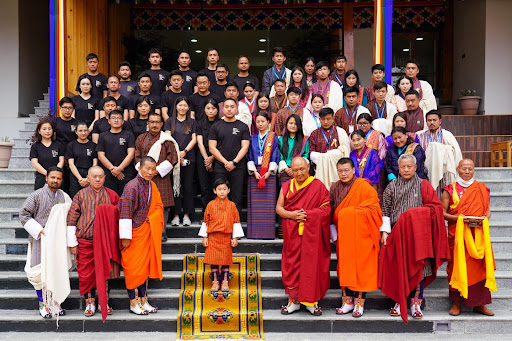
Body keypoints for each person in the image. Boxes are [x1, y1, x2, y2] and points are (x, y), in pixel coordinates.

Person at [379, 154, 450, 323]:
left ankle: (415, 303)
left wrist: (413, 215)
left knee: (420, 268)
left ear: (415, 167)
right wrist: (384, 232)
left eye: (409, 166)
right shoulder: (391, 187)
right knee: (398, 268)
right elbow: (385, 211)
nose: (405, 169)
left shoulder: (424, 185)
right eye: (403, 167)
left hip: (419, 236)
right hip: (398, 234)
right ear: (398, 168)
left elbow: (435, 208)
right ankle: (399, 300)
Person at [276, 157, 331, 316]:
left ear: (308, 167)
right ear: (291, 170)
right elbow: (279, 208)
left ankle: (311, 302)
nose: (299, 173)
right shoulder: (287, 186)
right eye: (295, 170)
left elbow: (327, 209)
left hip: (312, 236)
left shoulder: (318, 186)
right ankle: (293, 301)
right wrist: (292, 215)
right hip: (293, 234)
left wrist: (309, 215)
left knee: (311, 266)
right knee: (292, 265)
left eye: (302, 169)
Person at [441, 159, 496, 316]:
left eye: (470, 169)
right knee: (457, 267)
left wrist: (484, 218)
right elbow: (443, 213)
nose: (467, 171)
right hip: (458, 237)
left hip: (478, 235)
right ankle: (456, 302)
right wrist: (459, 218)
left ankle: (479, 304)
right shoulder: (449, 190)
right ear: (458, 169)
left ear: (474, 170)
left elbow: (487, 211)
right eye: (464, 168)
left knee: (479, 267)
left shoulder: (481, 189)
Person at [330, 158, 382, 317]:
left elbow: (375, 210)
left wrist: (349, 213)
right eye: (340, 171)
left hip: (362, 236)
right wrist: (333, 231)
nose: (343, 174)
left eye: (346, 170)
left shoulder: (364, 186)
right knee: (345, 267)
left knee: (361, 268)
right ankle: (347, 302)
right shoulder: (334, 188)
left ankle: (359, 304)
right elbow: (331, 210)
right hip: (343, 235)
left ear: (354, 170)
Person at [66, 166, 120, 318]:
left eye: (100, 176)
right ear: (88, 178)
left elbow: (119, 215)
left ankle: (105, 302)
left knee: (105, 273)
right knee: (86, 275)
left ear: (105, 178)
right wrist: (72, 243)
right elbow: (71, 219)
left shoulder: (112, 195)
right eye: (94, 176)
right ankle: (90, 303)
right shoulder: (80, 195)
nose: (97, 179)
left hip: (105, 243)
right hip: (85, 242)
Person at [20, 166, 71, 318]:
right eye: (53, 177)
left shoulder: (64, 197)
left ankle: (55, 302)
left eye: (58, 178)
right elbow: (23, 214)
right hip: (40, 239)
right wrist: (38, 230)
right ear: (46, 178)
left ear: (62, 181)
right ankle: (43, 303)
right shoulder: (36, 195)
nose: (55, 180)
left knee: (56, 269)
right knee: (39, 272)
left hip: (57, 240)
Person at [119, 156, 164, 315]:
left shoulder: (151, 185)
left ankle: (143, 301)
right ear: (140, 168)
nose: (151, 172)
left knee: (144, 269)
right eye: (147, 168)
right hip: (133, 234)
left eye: (153, 169)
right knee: (133, 269)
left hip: (147, 230)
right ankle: (133, 302)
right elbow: (125, 213)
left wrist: (152, 218)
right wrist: (125, 237)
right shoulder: (131, 187)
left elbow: (159, 206)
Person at [136, 112, 179, 241]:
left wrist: (156, 171)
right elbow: (137, 157)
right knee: (144, 203)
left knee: (163, 205)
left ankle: (162, 231)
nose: (154, 125)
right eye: (152, 122)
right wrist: (145, 171)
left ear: (161, 124)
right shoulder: (141, 138)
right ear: (147, 123)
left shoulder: (166, 140)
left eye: (157, 122)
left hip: (161, 176)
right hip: (143, 177)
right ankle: (145, 230)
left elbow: (173, 158)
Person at [199, 179, 244, 292]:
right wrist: (205, 237)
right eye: (219, 189)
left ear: (228, 190)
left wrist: (235, 237)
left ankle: (225, 281)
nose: (222, 192)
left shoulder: (232, 206)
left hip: (226, 237)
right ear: (215, 191)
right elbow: (206, 221)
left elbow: (236, 222)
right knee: (213, 261)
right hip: (213, 237)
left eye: (224, 189)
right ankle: (214, 282)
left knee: (225, 260)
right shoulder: (210, 205)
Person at [209, 98, 251, 214]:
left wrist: (234, 162)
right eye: (226, 107)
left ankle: (235, 225)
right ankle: (220, 222)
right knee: (220, 194)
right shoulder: (216, 126)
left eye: (232, 107)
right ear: (222, 109)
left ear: (236, 109)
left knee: (236, 196)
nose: (229, 109)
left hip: (238, 166)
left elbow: (245, 147)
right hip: (220, 166)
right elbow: (212, 147)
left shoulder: (243, 126)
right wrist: (225, 162)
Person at [164, 97, 197, 226]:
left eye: (185, 105)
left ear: (188, 107)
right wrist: (177, 153)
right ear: (176, 107)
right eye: (180, 105)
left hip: (189, 157)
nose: (182, 107)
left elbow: (194, 139)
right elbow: (167, 138)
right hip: (173, 158)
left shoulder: (192, 122)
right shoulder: (169, 121)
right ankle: (176, 215)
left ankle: (187, 215)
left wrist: (184, 152)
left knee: (188, 186)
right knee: (175, 187)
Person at [247, 112, 280, 239]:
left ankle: (267, 233)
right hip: (254, 173)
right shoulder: (253, 138)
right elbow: (249, 154)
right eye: (258, 122)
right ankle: (254, 233)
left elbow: (275, 154)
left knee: (267, 206)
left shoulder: (273, 137)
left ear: (268, 122)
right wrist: (254, 171)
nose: (260, 124)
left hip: (268, 173)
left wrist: (269, 172)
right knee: (255, 206)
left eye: (263, 121)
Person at [415, 110, 463, 195]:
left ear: (440, 121)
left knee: (445, 194)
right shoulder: (420, 135)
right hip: (427, 171)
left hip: (444, 171)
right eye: (429, 120)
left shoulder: (447, 135)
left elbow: (456, 153)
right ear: (426, 122)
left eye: (434, 120)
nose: (432, 122)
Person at [96, 110, 136, 196]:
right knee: (110, 199)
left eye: (119, 118)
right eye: (113, 118)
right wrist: (113, 169)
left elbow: (131, 154)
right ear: (109, 121)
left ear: (123, 121)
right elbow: (100, 155)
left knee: (126, 198)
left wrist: (120, 168)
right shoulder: (103, 136)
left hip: (126, 172)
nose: (116, 120)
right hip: (108, 173)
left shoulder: (129, 135)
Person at [309, 107, 350, 189]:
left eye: (328, 119)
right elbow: (312, 154)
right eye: (323, 119)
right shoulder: (314, 134)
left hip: (337, 171)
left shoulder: (340, 132)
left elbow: (345, 150)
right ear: (319, 119)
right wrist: (327, 157)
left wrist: (327, 155)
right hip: (321, 170)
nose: (326, 122)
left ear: (333, 118)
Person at [197, 99, 221, 210]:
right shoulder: (200, 123)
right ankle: (206, 212)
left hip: (218, 156)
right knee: (204, 186)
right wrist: (206, 159)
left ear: (217, 110)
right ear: (204, 110)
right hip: (203, 155)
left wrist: (212, 158)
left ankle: (217, 211)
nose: (210, 111)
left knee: (216, 184)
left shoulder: (221, 123)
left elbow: (222, 143)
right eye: (208, 108)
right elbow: (200, 143)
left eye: (213, 108)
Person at [30, 119, 65, 190]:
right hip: (41, 178)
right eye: (44, 129)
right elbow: (34, 163)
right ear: (39, 131)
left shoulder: (58, 145)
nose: (47, 131)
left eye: (49, 129)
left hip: (57, 178)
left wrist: (55, 174)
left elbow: (61, 161)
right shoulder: (35, 146)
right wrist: (48, 174)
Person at [66, 122, 98, 198]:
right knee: (76, 198)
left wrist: (88, 178)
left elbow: (95, 164)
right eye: (80, 131)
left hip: (90, 175)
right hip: (75, 175)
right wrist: (80, 179)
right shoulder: (71, 145)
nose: (83, 133)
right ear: (76, 132)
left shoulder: (93, 145)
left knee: (90, 198)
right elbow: (71, 164)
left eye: (85, 130)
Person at [54, 97, 78, 194]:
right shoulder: (55, 122)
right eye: (65, 108)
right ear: (60, 108)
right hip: (59, 155)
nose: (67, 110)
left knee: (72, 185)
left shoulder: (76, 122)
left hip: (74, 155)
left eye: (70, 108)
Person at [278, 114, 310, 184]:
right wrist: (286, 169)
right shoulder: (281, 140)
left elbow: (306, 154)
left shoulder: (305, 140)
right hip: (285, 172)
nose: (292, 126)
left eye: (295, 124)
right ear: (286, 124)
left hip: (300, 172)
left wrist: (297, 169)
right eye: (291, 123)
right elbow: (280, 156)